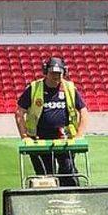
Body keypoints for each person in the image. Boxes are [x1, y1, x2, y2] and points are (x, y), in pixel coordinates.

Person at [14, 57, 89, 186]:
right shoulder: (34, 88)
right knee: (45, 175)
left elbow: (83, 111)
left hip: (65, 138)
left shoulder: (69, 88)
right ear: (45, 72)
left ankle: (70, 198)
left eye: (59, 73)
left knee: (68, 171)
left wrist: (79, 135)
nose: (56, 76)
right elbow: (19, 113)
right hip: (39, 138)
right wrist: (25, 136)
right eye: (52, 73)